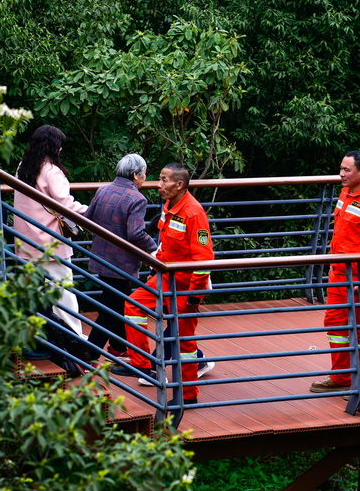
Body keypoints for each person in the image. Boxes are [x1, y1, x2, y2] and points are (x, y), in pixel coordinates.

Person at [117, 163, 214, 405]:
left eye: (164, 180)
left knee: (184, 342)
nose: (158, 185)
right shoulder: (169, 205)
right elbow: (165, 242)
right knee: (133, 306)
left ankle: (188, 396)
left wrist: (194, 297)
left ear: (179, 185)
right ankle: (144, 367)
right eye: (159, 179)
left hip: (185, 286)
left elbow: (204, 259)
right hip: (163, 279)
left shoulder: (194, 213)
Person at [310, 151, 360, 393]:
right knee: (335, 324)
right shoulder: (346, 192)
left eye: (347, 170)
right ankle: (343, 377)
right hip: (338, 273)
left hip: (358, 279)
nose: (341, 174)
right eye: (341, 169)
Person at [12, 125, 88, 334]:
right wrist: (91, 211)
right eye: (60, 145)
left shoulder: (22, 167)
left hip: (26, 240)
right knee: (62, 293)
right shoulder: (51, 171)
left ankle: (32, 337)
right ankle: (75, 338)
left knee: (33, 293)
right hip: (51, 243)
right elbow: (66, 204)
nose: (61, 150)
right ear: (53, 147)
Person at [83, 154, 158, 360]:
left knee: (117, 303)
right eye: (143, 174)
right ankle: (89, 353)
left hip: (101, 257)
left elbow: (87, 219)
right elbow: (135, 234)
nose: (144, 178)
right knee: (111, 310)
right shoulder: (137, 199)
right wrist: (154, 251)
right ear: (135, 175)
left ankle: (118, 346)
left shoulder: (103, 190)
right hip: (122, 264)